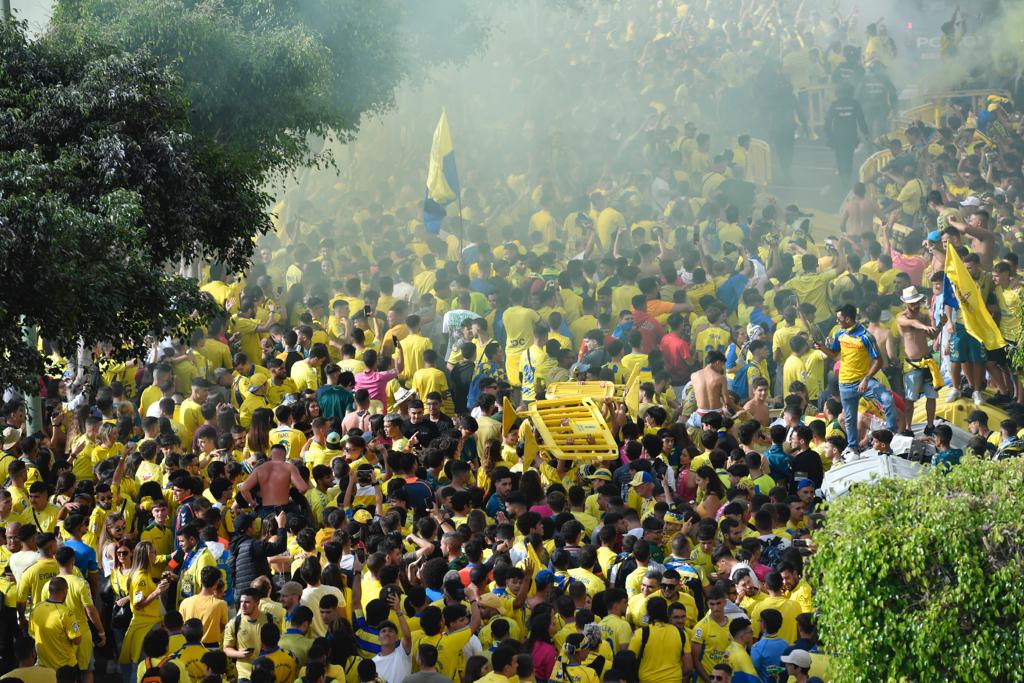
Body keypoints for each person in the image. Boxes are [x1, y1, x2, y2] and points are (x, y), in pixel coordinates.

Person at [818, 304, 896, 455]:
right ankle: (853, 447)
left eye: (839, 319)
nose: (837, 321)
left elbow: (879, 361)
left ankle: (891, 435)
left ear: (848, 319)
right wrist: (821, 347)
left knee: (887, 399)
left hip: (864, 381)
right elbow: (834, 354)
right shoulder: (840, 334)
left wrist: (866, 379)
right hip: (845, 382)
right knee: (849, 418)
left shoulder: (866, 336)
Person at [896, 286, 939, 436]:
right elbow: (913, 324)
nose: (915, 306)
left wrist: (938, 323)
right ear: (906, 304)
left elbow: (933, 336)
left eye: (917, 303)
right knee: (910, 399)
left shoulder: (924, 316)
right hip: (911, 363)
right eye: (912, 303)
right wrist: (925, 326)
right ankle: (908, 427)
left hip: (927, 360)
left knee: (931, 396)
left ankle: (930, 425)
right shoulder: (902, 318)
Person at [628, 596, 688, 683]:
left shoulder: (640, 634)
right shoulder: (681, 634)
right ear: (666, 612)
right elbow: (688, 666)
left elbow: (629, 662)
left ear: (648, 613)